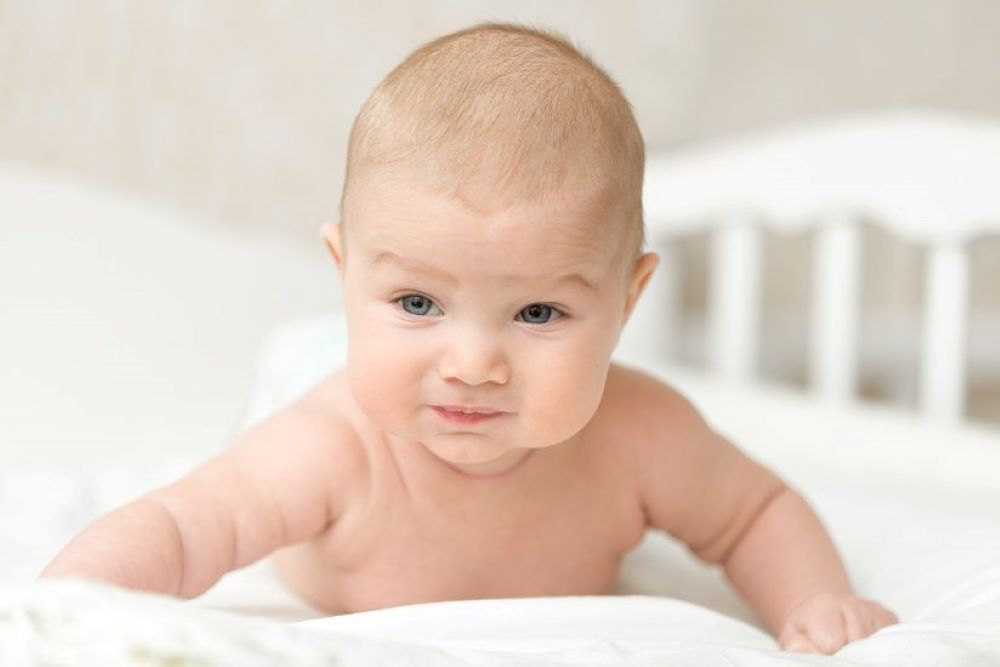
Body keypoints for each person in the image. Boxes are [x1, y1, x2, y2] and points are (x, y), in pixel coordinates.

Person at [40, 21, 897, 655]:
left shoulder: (642, 436)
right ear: (344, 270)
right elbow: (185, 530)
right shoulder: (330, 449)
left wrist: (817, 599)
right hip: (327, 395)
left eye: (536, 315)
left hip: (390, 373)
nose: (474, 364)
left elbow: (755, 512)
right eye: (416, 300)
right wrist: (61, 609)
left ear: (627, 300)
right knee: (277, 417)